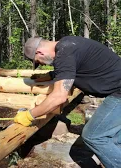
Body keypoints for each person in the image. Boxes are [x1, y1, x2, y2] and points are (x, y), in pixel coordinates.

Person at [14, 36, 121, 167]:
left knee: (94, 136)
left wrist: (29, 115)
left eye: (39, 62)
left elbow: (59, 96)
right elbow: (79, 68)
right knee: (114, 140)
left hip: (119, 93)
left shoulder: (63, 53)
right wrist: (51, 75)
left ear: (40, 52)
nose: (41, 64)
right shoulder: (68, 44)